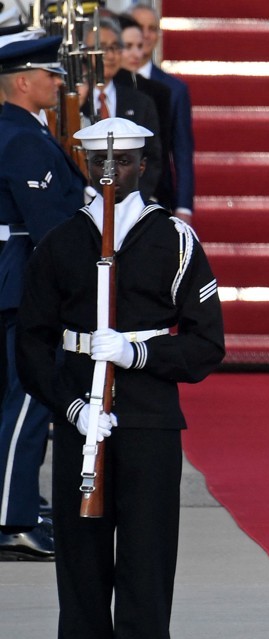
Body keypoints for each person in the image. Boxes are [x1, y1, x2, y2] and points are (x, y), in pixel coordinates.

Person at [16, 116, 225, 639]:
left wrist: (136, 351)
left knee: (144, 566)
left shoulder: (175, 241)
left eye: (125, 161)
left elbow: (204, 343)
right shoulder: (59, 244)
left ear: (145, 164)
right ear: (82, 161)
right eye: (100, 159)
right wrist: (74, 407)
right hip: (82, 426)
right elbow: (31, 342)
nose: (112, 173)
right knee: (81, 572)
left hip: (150, 423)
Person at [0, 31, 88, 562]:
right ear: (24, 81)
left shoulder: (21, 131)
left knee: (16, 396)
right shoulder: (23, 138)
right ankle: (13, 517)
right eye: (51, 75)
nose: (59, 83)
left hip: (14, 277)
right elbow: (51, 228)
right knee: (31, 395)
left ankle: (18, 500)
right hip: (25, 281)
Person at [128, 2, 196, 220]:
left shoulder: (174, 90)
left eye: (152, 29)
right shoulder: (109, 85)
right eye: (140, 28)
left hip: (158, 197)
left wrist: (184, 207)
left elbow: (182, 151)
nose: (146, 36)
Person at [83, 18, 163, 200]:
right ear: (83, 53)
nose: (110, 56)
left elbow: (152, 159)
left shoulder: (141, 102)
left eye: (114, 47)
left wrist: (132, 202)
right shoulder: (71, 101)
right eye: (102, 48)